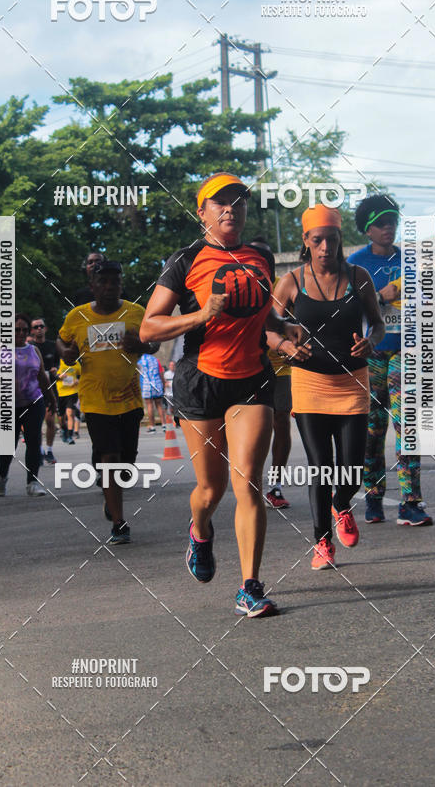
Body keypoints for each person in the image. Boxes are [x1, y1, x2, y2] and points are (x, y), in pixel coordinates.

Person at [140, 172, 302, 617]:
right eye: (220, 202)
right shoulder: (186, 259)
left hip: (251, 377)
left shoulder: (262, 256)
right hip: (201, 380)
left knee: (247, 480)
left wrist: (281, 332)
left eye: (239, 202)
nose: (231, 209)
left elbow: (262, 314)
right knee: (209, 489)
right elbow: (149, 326)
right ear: (202, 211)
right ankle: (200, 529)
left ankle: (250, 586)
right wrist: (201, 316)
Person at [268, 206, 385, 569]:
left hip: (352, 382)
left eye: (331, 240)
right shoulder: (291, 281)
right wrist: (286, 347)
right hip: (308, 383)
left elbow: (377, 324)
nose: (324, 247)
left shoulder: (359, 276)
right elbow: (267, 327)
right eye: (317, 240)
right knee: (320, 467)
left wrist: (371, 342)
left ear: (339, 241)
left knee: (351, 467)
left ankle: (341, 504)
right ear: (305, 241)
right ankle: (322, 543)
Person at [347, 195, 433, 526]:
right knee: (372, 430)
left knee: (409, 426)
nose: (389, 228)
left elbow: (426, 299)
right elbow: (342, 311)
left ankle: (411, 502)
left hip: (405, 351)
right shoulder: (354, 264)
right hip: (369, 356)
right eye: (382, 223)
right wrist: (380, 296)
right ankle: (373, 496)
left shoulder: (410, 261)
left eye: (393, 222)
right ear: (367, 228)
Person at [58, 260, 157, 543]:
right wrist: (66, 352)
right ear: (93, 286)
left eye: (115, 282)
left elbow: (154, 341)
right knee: (111, 458)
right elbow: (61, 341)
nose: (110, 287)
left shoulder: (136, 312)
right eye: (103, 282)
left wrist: (142, 346)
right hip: (95, 400)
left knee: (127, 462)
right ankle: (119, 522)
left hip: (129, 398)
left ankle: (109, 496)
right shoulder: (77, 316)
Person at [250, 236, 293, 510]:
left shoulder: (284, 286)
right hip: (247, 366)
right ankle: (251, 482)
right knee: (253, 428)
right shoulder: (238, 286)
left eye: (267, 257)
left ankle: (275, 484)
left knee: (281, 422)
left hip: (281, 366)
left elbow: (295, 322)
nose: (262, 261)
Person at [0, 313, 55, 497]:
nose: (20, 333)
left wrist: (51, 397)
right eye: (16, 329)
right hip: (8, 405)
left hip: (33, 401)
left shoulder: (33, 350)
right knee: (8, 446)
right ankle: (2, 477)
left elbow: (42, 377)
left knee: (34, 441)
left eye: (23, 330)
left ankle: (32, 483)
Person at [30, 317, 60, 464]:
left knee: (49, 420)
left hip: (50, 388)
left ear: (45, 328)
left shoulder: (53, 345)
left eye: (41, 326)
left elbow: (58, 363)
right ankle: (39, 450)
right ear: (32, 331)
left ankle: (49, 450)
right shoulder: (29, 347)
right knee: (36, 423)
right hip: (33, 389)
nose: (39, 329)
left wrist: (56, 369)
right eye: (35, 327)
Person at [138, 353, 167, 432]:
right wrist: (163, 385)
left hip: (146, 385)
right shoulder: (155, 359)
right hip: (157, 384)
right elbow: (161, 373)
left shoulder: (139, 360)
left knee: (149, 405)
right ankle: (164, 425)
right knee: (159, 405)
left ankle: (152, 426)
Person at [56, 358, 81, 444]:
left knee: (70, 413)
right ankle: (64, 429)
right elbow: (53, 376)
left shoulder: (76, 363)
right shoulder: (58, 362)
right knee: (61, 417)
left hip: (72, 392)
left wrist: (78, 381)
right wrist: (59, 376)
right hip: (60, 393)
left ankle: (70, 436)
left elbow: (81, 375)